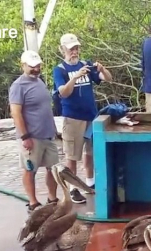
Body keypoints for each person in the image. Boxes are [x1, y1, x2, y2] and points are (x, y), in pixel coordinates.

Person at [53, 33, 112, 204]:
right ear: (62, 49)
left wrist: (102, 69)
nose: (74, 52)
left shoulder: (86, 64)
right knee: (72, 155)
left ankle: (90, 181)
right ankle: (73, 188)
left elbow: (107, 79)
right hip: (72, 118)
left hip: (91, 116)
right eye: (71, 49)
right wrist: (76, 77)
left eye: (76, 48)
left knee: (90, 152)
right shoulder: (60, 70)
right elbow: (63, 92)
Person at [9, 51, 60, 213]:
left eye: (38, 66)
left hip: (48, 134)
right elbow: (15, 113)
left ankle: (52, 198)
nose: (36, 69)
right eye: (32, 67)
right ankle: (33, 202)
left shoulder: (39, 81)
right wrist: (25, 136)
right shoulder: (18, 86)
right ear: (23, 65)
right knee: (30, 169)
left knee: (53, 168)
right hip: (32, 137)